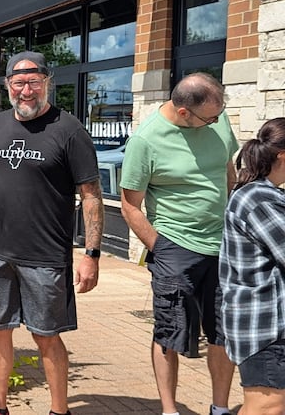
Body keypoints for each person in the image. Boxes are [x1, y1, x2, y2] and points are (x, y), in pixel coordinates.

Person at [0, 51, 104, 415]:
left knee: (46, 336)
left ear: (47, 83)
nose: (26, 91)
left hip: (45, 256)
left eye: (34, 82)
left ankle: (59, 410)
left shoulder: (69, 130)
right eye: (18, 83)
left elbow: (91, 195)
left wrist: (91, 254)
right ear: (7, 85)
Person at [120, 72, 238, 415]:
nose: (216, 122)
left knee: (223, 332)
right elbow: (130, 205)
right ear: (184, 112)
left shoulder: (217, 117)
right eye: (210, 118)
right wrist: (161, 249)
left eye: (218, 114)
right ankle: (170, 410)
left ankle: (219, 408)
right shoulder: (146, 140)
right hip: (176, 246)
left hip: (222, 246)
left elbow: (227, 170)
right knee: (170, 332)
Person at [219, 117, 285, 415]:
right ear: (282, 155)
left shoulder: (264, 193)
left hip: (265, 323)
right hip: (266, 326)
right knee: (269, 406)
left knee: (262, 405)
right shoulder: (259, 199)